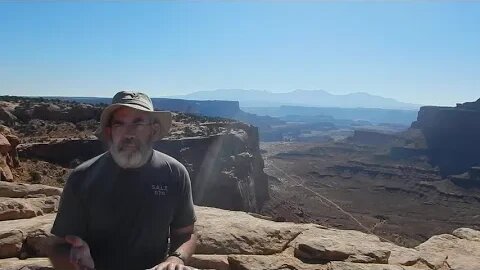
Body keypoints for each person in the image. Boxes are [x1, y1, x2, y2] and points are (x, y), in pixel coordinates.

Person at [47, 91, 197, 270]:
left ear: (153, 130)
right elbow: (58, 246)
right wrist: (73, 260)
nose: (129, 133)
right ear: (109, 132)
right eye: (120, 124)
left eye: (138, 123)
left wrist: (175, 260)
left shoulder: (174, 174)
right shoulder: (82, 177)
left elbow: (186, 233)